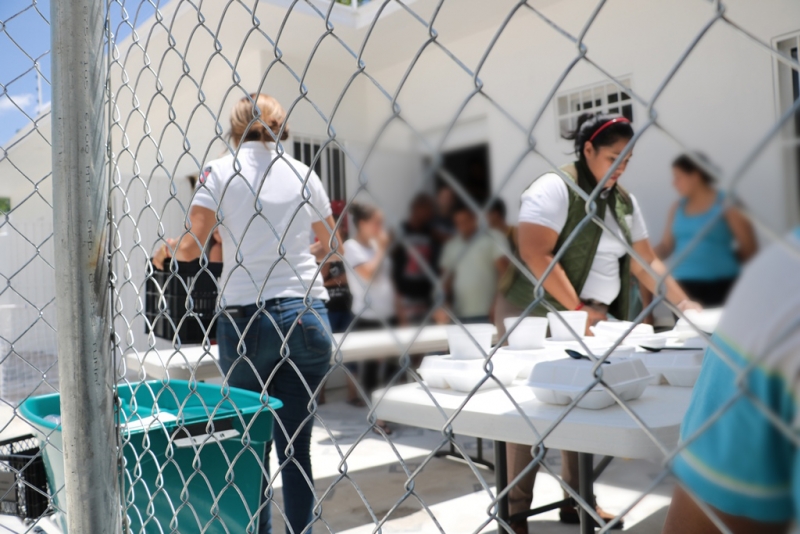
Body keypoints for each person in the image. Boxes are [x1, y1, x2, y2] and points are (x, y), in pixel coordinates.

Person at [498, 113, 702, 534]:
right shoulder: (555, 187)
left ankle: (578, 501)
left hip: (596, 324)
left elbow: (647, 262)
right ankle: (514, 510)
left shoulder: (623, 202)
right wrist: (577, 311)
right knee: (527, 415)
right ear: (587, 149)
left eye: (626, 160)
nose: (620, 167)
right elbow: (536, 254)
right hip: (541, 319)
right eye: (612, 157)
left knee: (585, 403)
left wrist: (686, 305)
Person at [152, 93, 336, 534]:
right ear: (280, 125)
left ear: (233, 128)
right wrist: (291, 257)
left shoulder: (219, 170)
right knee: (297, 447)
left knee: (251, 448)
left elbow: (194, 247)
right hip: (308, 314)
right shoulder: (303, 173)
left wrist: (164, 252)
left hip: (246, 317)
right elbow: (330, 245)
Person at [662, 228, 800, 534]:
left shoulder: (778, 283)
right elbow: (660, 248)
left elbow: (747, 250)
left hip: (722, 292)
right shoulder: (778, 284)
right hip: (708, 295)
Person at [653, 153, 757, 307]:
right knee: (686, 330)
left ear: (695, 175)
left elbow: (749, 247)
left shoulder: (726, 203)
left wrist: (721, 261)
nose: (674, 183)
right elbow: (666, 246)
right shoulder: (677, 207)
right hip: (683, 287)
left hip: (722, 285)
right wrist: (643, 259)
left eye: (678, 177)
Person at [343, 202, 398, 432]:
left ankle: (388, 409)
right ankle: (378, 417)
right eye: (376, 222)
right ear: (363, 224)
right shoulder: (351, 246)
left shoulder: (376, 245)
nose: (381, 227)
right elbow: (368, 275)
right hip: (368, 317)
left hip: (389, 314)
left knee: (393, 368)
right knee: (374, 371)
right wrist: (383, 249)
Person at [439, 201, 509, 323]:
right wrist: (442, 305)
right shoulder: (451, 246)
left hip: (489, 313)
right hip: (459, 315)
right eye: (459, 223)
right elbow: (446, 280)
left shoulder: (494, 238)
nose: (463, 226)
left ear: (474, 218)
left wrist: (498, 304)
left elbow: (505, 272)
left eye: (466, 221)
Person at [392, 193, 439, 325]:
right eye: (428, 210)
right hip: (405, 295)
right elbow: (395, 264)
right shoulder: (402, 231)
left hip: (426, 296)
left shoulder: (430, 232)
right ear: (417, 209)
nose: (431, 213)